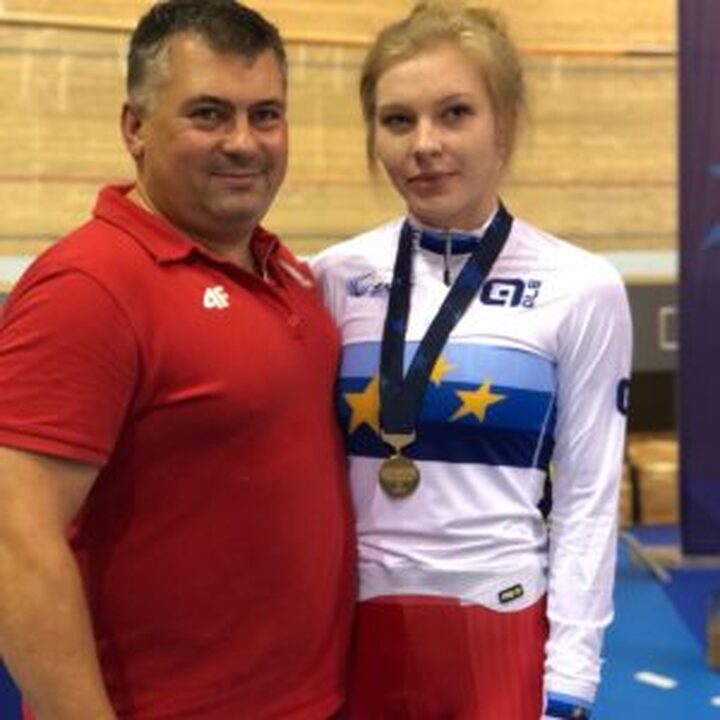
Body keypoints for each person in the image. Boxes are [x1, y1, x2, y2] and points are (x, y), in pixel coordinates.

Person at [0, 1, 355, 718]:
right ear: (135, 127)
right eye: (209, 114)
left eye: (266, 115)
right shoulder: (89, 287)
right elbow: (13, 538)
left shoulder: (284, 271)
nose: (244, 142)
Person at [312, 2, 631, 719]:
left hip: (500, 630)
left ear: (504, 125)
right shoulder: (333, 277)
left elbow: (588, 497)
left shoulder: (581, 287)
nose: (425, 144)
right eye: (398, 120)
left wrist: (571, 681)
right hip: (354, 634)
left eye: (454, 113)